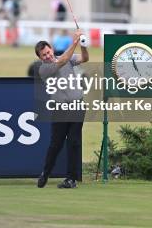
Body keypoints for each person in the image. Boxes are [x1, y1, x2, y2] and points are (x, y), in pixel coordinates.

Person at [35, 30, 89, 189]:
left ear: (51, 48)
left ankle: (71, 179)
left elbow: (85, 58)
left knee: (73, 142)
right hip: (60, 108)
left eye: (48, 52)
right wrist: (74, 42)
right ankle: (46, 172)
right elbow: (63, 60)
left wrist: (83, 44)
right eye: (43, 55)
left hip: (77, 105)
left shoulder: (65, 58)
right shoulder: (44, 69)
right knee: (56, 144)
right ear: (40, 58)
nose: (47, 56)